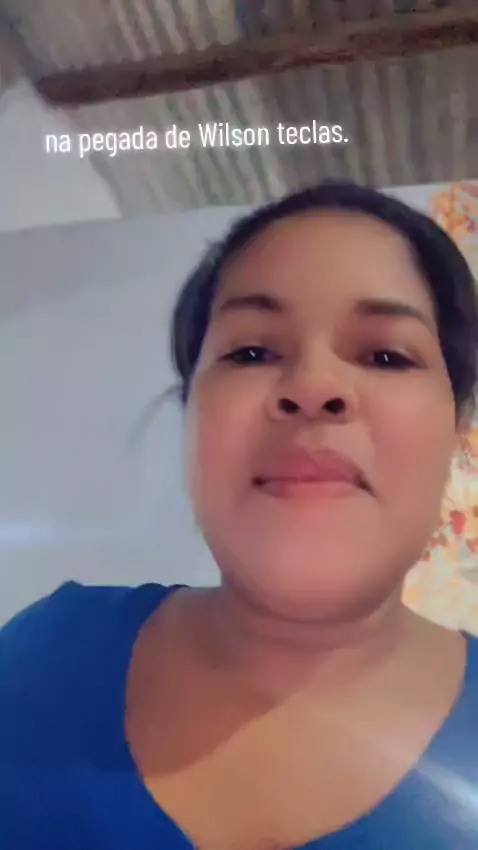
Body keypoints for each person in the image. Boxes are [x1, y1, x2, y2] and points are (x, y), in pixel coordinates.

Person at [1, 181, 478, 850]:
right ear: (190, 412)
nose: (314, 386)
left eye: (386, 355)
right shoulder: (42, 658)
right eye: (251, 352)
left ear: (458, 427)